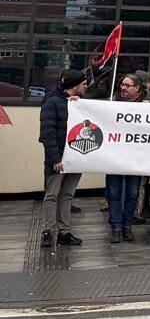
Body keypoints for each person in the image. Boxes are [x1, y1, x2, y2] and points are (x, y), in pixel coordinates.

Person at [39, 70, 89, 248]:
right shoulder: (52, 102)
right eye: (84, 84)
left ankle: (64, 232)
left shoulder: (77, 102)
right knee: (52, 195)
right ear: (75, 86)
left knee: (67, 194)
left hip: (75, 156)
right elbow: (48, 132)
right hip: (59, 158)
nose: (86, 87)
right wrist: (55, 159)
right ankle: (48, 231)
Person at [103, 71, 146, 243]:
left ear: (137, 88)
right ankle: (115, 227)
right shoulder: (112, 104)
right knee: (113, 194)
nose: (123, 88)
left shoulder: (147, 107)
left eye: (128, 86)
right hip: (114, 157)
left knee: (132, 194)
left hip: (135, 158)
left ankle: (127, 226)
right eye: (122, 84)